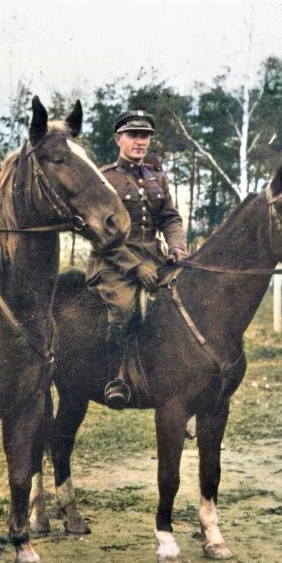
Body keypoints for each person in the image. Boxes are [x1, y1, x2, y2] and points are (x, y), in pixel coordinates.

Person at [87, 110, 187, 407]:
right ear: (119, 139)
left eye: (145, 136)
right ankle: (116, 376)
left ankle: (175, 378)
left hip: (154, 257)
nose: (140, 142)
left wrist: (177, 245)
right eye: (133, 135)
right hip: (113, 262)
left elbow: (170, 217)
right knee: (124, 307)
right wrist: (134, 266)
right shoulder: (104, 180)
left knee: (180, 303)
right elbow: (101, 235)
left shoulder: (156, 177)